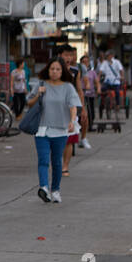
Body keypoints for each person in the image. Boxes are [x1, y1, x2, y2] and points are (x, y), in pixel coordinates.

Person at [27, 57, 80, 203]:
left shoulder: (68, 87)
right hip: (42, 129)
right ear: (48, 70)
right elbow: (29, 103)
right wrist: (39, 94)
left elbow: (73, 105)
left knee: (56, 162)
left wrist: (72, 120)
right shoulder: (41, 84)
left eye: (58, 69)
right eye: (52, 69)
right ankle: (44, 187)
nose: (55, 72)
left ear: (62, 71)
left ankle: (55, 189)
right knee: (43, 160)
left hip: (60, 130)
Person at [55, 44, 84, 174]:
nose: (68, 57)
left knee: (69, 139)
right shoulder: (53, 70)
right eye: (66, 55)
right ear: (59, 55)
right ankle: (57, 163)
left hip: (71, 109)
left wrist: (82, 109)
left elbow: (79, 90)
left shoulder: (75, 71)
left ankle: (65, 166)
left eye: (70, 55)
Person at [79, 54, 98, 149]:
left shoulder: (92, 72)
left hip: (89, 94)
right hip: (80, 94)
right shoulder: (78, 70)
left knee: (89, 114)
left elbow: (95, 81)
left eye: (87, 62)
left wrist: (97, 88)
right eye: (84, 62)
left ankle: (84, 135)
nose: (85, 64)